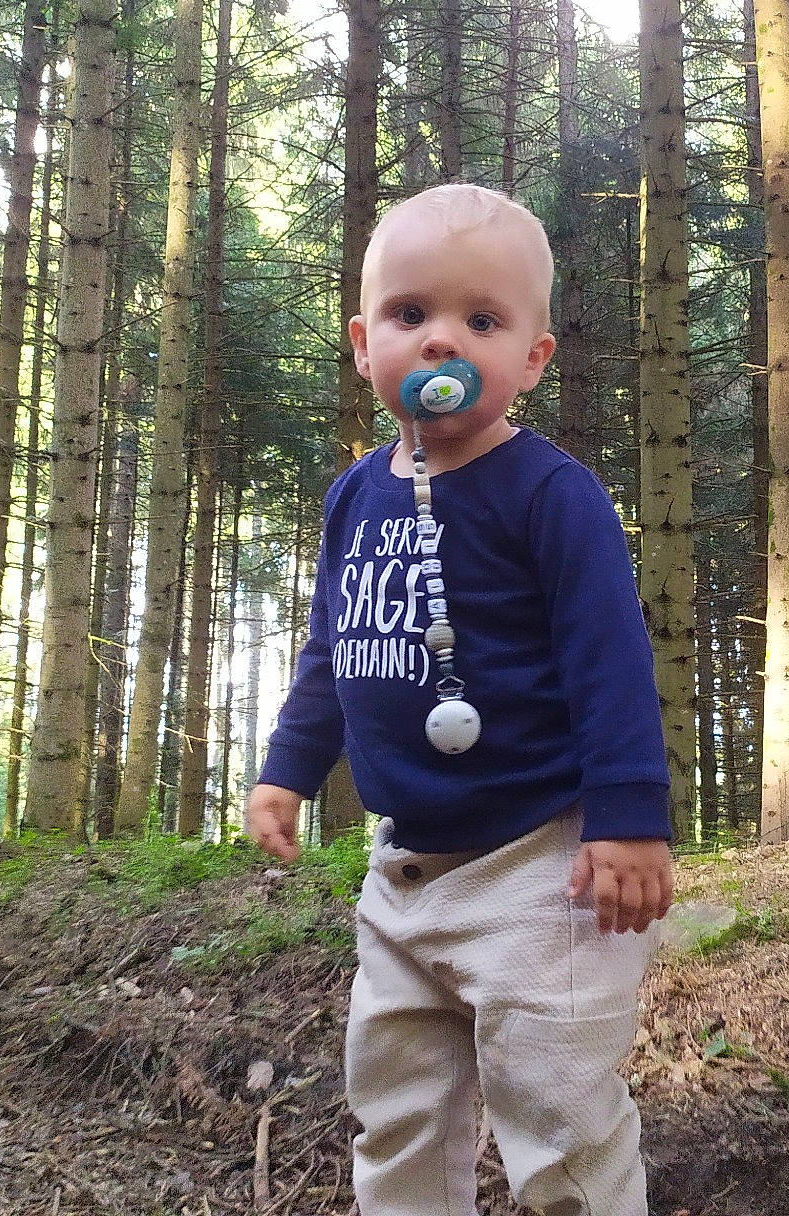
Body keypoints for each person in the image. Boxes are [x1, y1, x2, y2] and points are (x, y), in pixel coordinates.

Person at [247, 181, 674, 1216]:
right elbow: (333, 649)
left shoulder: (550, 494)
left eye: (480, 321)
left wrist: (627, 820)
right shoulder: (354, 494)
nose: (442, 343)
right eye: (410, 316)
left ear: (532, 356)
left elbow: (607, 658)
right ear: (363, 344)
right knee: (393, 1112)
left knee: (559, 1119)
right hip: (400, 874)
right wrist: (286, 769)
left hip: (541, 870)